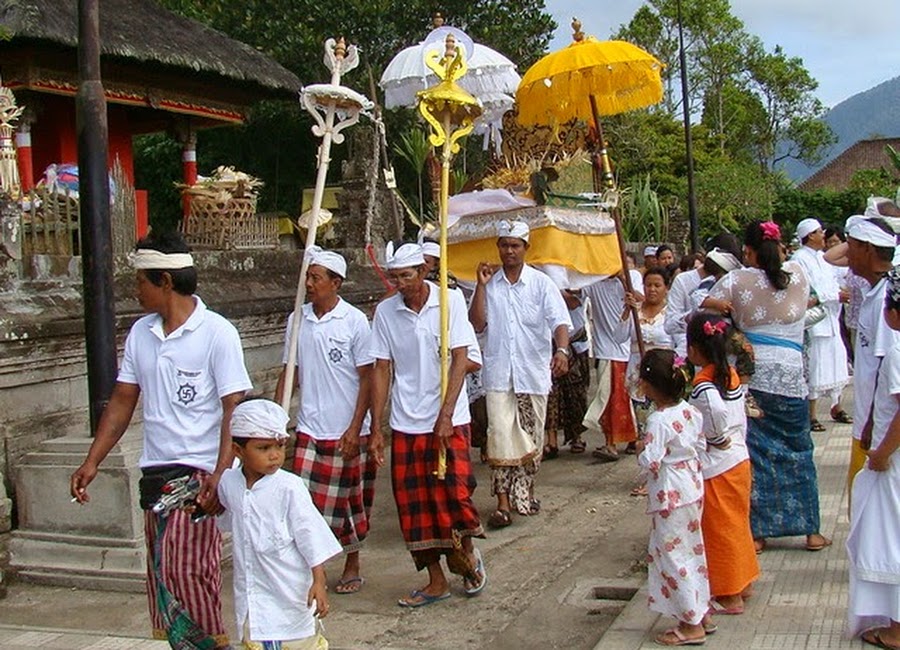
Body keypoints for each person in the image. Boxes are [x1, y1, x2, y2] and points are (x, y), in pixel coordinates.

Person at [69, 232, 252, 648]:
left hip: (200, 472)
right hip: (156, 471)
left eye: (141, 282)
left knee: (189, 567)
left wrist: (220, 474)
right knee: (164, 574)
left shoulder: (217, 333)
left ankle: (209, 644)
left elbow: (232, 410)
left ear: (165, 282)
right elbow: (122, 401)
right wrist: (92, 459)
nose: (136, 291)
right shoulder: (141, 334)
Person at [370, 241, 487, 607]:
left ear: (423, 272)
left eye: (407, 275)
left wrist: (447, 414)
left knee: (454, 495)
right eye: (395, 277)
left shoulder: (448, 301)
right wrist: (377, 428)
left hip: (449, 419)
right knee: (414, 504)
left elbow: (461, 358)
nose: (401, 283)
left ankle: (466, 556)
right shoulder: (385, 313)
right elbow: (382, 368)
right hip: (407, 421)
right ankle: (435, 580)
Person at [704, 220, 830, 553]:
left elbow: (705, 310)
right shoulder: (798, 274)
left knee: (757, 454)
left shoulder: (735, 280)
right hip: (791, 377)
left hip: (753, 375)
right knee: (799, 451)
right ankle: (811, 531)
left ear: (747, 250)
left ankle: (758, 533)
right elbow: (815, 303)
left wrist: (725, 313)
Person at [274, 246, 381, 595]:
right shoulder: (297, 318)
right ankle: (310, 569)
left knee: (349, 502)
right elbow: (290, 371)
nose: (309, 283)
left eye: (316, 277)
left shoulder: (353, 322)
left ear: (336, 282)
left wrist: (356, 427)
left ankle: (352, 561)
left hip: (347, 429)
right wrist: (277, 419)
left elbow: (368, 378)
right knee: (303, 504)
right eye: (308, 276)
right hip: (308, 427)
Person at [469, 220, 571, 527]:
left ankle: (524, 492)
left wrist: (562, 351)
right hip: (499, 376)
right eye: (504, 245)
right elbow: (477, 323)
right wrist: (481, 287)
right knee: (499, 438)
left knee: (531, 440)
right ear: (498, 248)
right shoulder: (490, 284)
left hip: (533, 374)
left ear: (526, 248)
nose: (509, 251)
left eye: (515, 245)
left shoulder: (541, 284)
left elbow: (560, 322)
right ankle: (502, 504)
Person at [218, 399, 342, 649]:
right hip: (252, 598)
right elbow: (223, 515)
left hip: (290, 596)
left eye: (279, 446)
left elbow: (310, 535)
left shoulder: (289, 487)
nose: (274, 455)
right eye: (263, 448)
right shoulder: (229, 484)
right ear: (238, 451)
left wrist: (319, 581)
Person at [635, 348, 711, 647]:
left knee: (672, 556)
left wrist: (643, 449)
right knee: (692, 550)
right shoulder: (691, 411)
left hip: (670, 494)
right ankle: (700, 609)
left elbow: (651, 460)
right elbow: (701, 445)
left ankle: (690, 622)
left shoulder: (658, 421)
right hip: (691, 486)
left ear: (649, 386)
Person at [686, 313, 759, 616]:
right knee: (738, 523)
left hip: (718, 466)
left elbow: (715, 413)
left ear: (693, 349)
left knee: (720, 529)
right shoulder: (729, 373)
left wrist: (716, 438)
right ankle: (743, 580)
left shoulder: (703, 384)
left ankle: (729, 594)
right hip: (739, 460)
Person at [846, 267, 900, 647]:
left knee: (889, 540)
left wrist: (882, 452)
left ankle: (897, 628)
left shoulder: (897, 351)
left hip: (893, 462)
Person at [843, 216, 899, 499]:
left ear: (867, 248)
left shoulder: (886, 302)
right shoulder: (875, 293)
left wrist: (870, 425)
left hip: (879, 428)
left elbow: (886, 369)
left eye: (851, 246)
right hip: (870, 421)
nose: (847, 253)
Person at [791, 218, 850, 431]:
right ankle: (811, 413)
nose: (823, 235)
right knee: (815, 366)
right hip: (815, 321)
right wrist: (834, 295)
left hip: (832, 318)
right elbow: (809, 290)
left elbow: (836, 279)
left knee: (837, 362)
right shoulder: (799, 259)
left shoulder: (823, 258)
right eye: (818, 232)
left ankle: (837, 406)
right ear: (809, 235)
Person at [582, 268, 644, 462]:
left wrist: (622, 279)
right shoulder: (593, 281)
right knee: (608, 400)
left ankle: (633, 439)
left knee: (629, 399)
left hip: (630, 350)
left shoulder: (631, 276)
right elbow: (575, 296)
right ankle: (610, 443)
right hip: (606, 350)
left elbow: (640, 298)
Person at [544, 288, 590, 457]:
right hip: (548, 343)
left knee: (576, 393)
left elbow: (574, 302)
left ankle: (577, 436)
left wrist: (555, 288)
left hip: (575, 343)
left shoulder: (574, 276)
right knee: (551, 394)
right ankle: (552, 440)